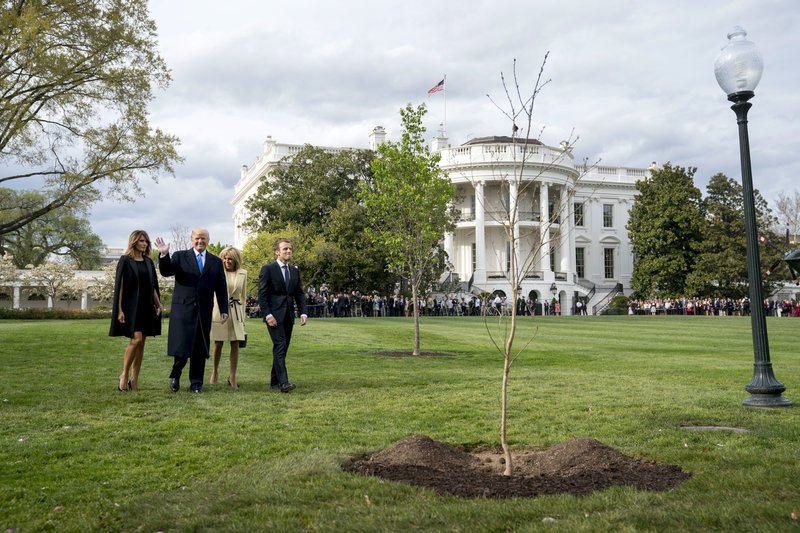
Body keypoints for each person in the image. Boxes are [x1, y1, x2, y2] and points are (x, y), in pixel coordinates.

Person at [155, 228, 228, 393]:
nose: (200, 241)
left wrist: (224, 308)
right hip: (183, 309)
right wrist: (164, 255)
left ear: (208, 240)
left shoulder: (216, 262)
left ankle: (196, 383)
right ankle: (176, 375)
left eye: (203, 239)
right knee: (182, 346)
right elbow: (166, 272)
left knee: (200, 347)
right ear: (191, 239)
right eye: (197, 238)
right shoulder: (180, 256)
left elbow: (221, 286)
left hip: (204, 310)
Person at [109, 230, 162, 392]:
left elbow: (152, 286)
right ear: (134, 242)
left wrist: (158, 305)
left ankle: (135, 379)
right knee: (136, 339)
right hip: (131, 307)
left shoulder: (148, 262)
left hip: (147, 307)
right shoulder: (125, 261)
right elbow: (120, 287)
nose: (144, 243)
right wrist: (119, 310)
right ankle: (124, 375)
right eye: (141, 241)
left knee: (142, 344)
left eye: (146, 241)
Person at [258, 238, 308, 393]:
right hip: (273, 315)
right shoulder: (268, 269)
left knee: (283, 348)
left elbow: (299, 293)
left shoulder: (294, 270)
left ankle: (274, 381)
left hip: (288, 315)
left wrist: (303, 311)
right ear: (277, 252)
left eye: (290, 249)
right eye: (285, 249)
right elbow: (262, 295)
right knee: (280, 345)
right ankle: (284, 383)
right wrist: (267, 315)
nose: (288, 251)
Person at [210, 247, 247, 389]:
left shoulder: (243, 273)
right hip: (219, 309)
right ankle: (215, 372)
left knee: (235, 344)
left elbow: (243, 297)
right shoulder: (217, 272)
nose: (227, 261)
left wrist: (242, 317)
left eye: (230, 258)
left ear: (235, 259)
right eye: (224, 258)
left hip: (236, 311)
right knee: (218, 343)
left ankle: (232, 376)